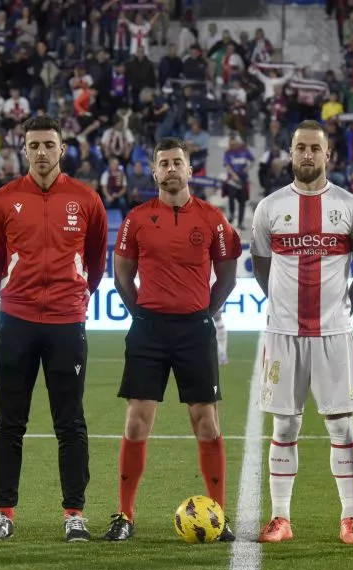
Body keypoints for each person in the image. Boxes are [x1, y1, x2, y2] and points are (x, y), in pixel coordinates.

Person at [104, 137, 241, 542]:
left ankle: (218, 515)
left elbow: (227, 277)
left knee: (206, 423)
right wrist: (142, 314)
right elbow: (122, 276)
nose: (170, 169)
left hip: (195, 330)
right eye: (163, 163)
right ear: (154, 172)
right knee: (136, 422)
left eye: (177, 162)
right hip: (148, 330)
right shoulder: (137, 219)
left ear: (189, 169)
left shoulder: (213, 219)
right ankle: (125, 515)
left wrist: (203, 312)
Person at [250, 120, 353, 545]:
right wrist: (281, 303)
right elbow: (262, 267)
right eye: (300, 147)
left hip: (334, 335)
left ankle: (351, 518)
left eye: (315, 148)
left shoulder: (351, 207)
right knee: (285, 426)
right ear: (291, 153)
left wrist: (344, 307)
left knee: (341, 427)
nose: (307, 154)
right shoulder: (269, 208)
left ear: (328, 155)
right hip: (282, 334)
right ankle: (281, 518)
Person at [0, 116, 108, 542]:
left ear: (62, 149)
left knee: (70, 421)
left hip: (66, 322)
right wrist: (13, 292)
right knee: (9, 421)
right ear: (24, 150)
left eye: (48, 145)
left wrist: (76, 295)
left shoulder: (86, 199)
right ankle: (4, 513)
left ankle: (74, 514)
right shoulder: (2, 200)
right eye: (33, 145)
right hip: (16, 320)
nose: (41, 152)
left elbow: (96, 261)